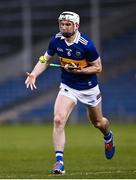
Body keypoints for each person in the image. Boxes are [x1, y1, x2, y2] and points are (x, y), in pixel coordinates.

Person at [25, 11, 115, 175]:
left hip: (89, 88)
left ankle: (108, 136)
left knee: (98, 122)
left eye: (68, 24)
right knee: (58, 120)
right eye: (62, 24)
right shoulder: (56, 40)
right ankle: (59, 162)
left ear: (76, 26)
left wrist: (79, 70)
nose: (64, 27)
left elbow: (98, 67)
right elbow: (45, 59)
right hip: (68, 87)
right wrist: (34, 74)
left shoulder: (86, 45)